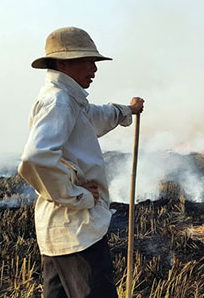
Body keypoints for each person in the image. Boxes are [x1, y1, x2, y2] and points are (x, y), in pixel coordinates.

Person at [18, 27, 144, 297]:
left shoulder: (70, 102)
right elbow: (36, 157)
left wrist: (127, 111)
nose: (94, 69)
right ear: (63, 63)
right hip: (77, 231)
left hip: (64, 233)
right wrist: (78, 195)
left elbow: (95, 116)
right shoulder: (59, 102)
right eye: (87, 61)